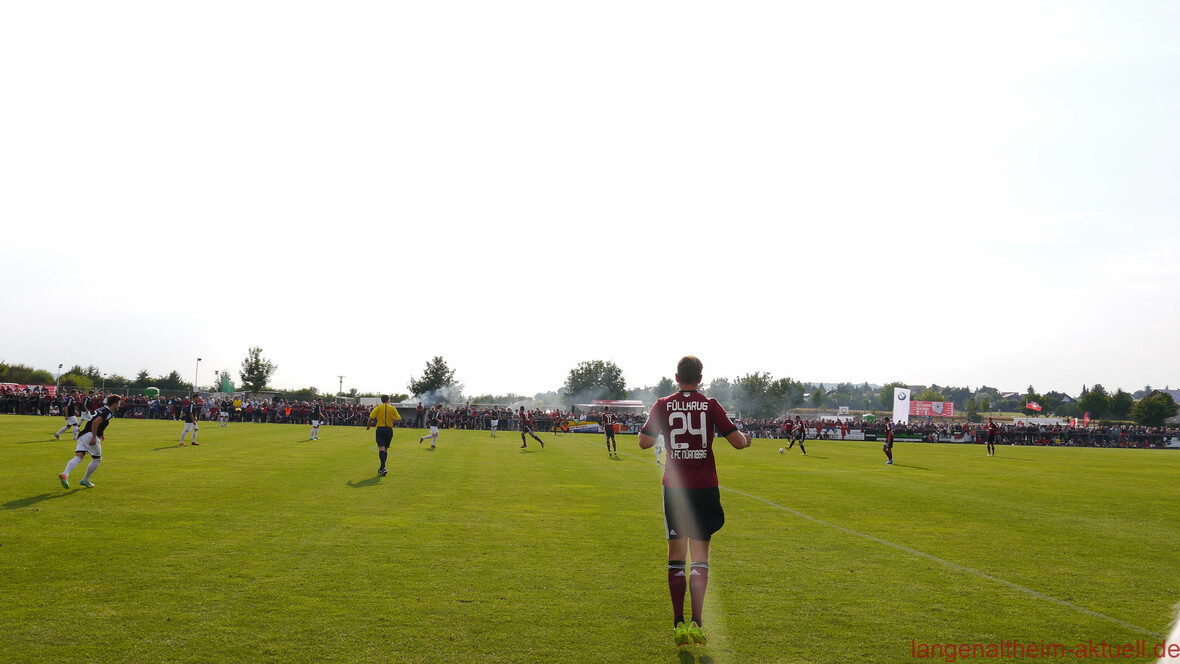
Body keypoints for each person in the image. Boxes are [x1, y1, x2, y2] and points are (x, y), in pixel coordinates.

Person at [637, 355, 751, 647]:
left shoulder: (663, 404)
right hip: (704, 488)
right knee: (700, 559)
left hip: (675, 489)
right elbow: (738, 442)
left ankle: (678, 625)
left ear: (676, 377)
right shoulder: (711, 404)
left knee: (676, 559)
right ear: (701, 378)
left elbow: (644, 442)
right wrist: (747, 438)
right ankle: (697, 623)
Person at [60, 394, 122, 489]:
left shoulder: (102, 409)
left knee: (79, 457)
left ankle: (65, 474)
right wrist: (94, 436)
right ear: (114, 403)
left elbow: (96, 422)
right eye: (119, 403)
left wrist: (101, 433)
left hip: (83, 435)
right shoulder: (107, 412)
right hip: (90, 435)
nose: (119, 405)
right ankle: (85, 480)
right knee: (97, 459)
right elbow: (95, 422)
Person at [366, 395, 401, 476]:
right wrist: (392, 418)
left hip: (380, 429)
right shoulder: (392, 408)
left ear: (382, 400)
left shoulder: (378, 408)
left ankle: (383, 467)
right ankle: (382, 467)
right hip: (389, 429)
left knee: (381, 448)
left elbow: (370, 418)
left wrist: (368, 425)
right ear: (388, 400)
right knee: (385, 449)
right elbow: (398, 418)